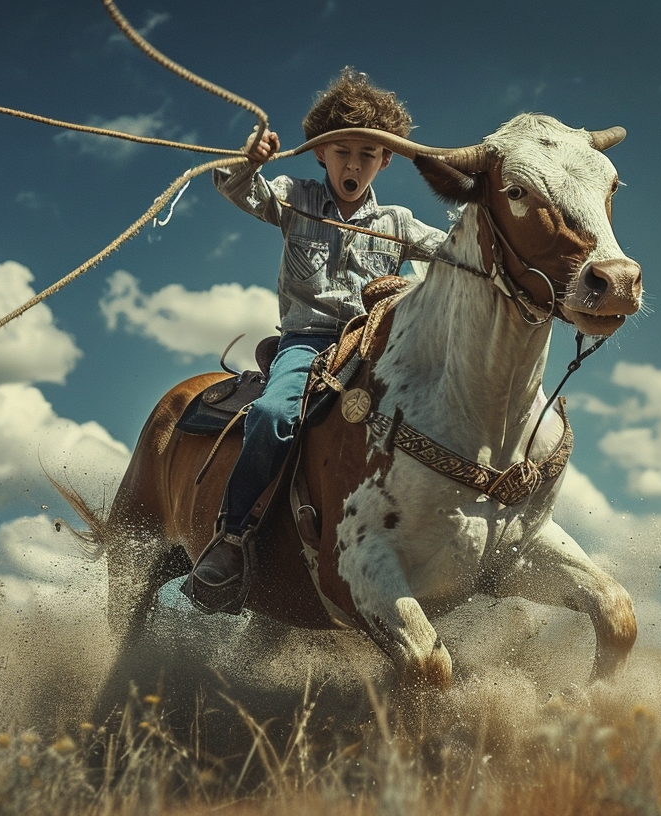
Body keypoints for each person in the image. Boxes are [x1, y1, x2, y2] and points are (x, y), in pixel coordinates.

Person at [187, 67, 446, 613]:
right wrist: (249, 160)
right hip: (307, 343)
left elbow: (456, 254)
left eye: (368, 154)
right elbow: (236, 188)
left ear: (386, 160)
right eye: (342, 152)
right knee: (273, 414)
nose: (354, 164)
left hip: (376, 345)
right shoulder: (294, 197)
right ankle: (231, 536)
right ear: (319, 154)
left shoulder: (398, 223)